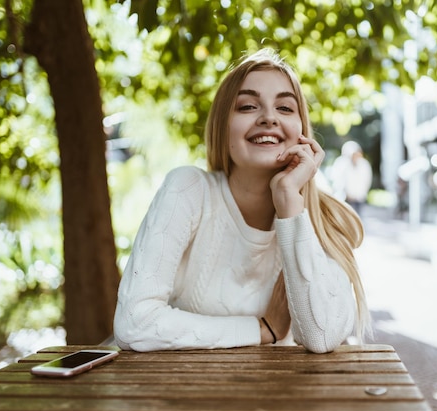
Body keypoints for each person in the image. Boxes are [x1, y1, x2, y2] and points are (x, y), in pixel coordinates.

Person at [113, 48, 370, 354]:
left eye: (285, 108)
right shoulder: (189, 190)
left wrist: (289, 200)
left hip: (280, 397)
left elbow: (322, 337)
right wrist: (261, 329)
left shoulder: (321, 220)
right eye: (248, 106)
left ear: (302, 131)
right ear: (223, 128)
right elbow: (133, 324)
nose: (269, 118)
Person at [330, 140, 372, 215]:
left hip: (359, 198)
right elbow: (337, 180)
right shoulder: (341, 164)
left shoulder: (364, 164)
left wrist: (362, 193)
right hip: (345, 198)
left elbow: (367, 180)